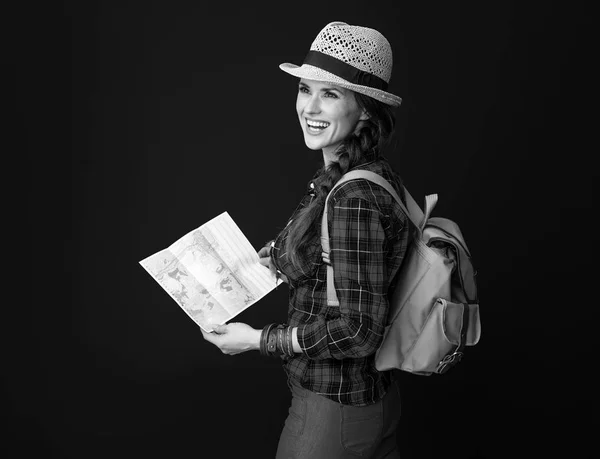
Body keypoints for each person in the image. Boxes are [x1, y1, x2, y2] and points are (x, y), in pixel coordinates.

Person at [201, 21, 410, 458]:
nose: (309, 107)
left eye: (330, 94)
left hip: (332, 414)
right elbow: (349, 267)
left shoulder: (354, 194)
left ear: (367, 110)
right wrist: (283, 257)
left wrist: (258, 339)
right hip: (363, 404)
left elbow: (359, 331)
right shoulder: (355, 173)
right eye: (304, 89)